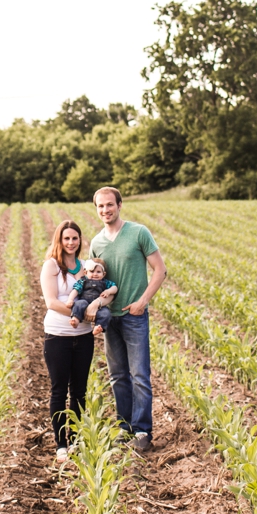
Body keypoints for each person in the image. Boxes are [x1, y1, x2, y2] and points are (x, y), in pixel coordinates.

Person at [88, 186, 167, 452]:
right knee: (118, 375)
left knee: (140, 375)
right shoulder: (96, 243)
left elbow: (160, 270)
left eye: (110, 205)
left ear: (120, 205)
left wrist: (142, 301)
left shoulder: (138, 233)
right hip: (111, 319)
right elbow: (93, 282)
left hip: (134, 316)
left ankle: (143, 430)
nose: (105, 210)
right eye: (100, 206)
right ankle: (125, 427)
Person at [40, 218, 115, 462]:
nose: (71, 242)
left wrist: (97, 305)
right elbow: (51, 302)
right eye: (66, 238)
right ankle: (61, 443)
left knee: (80, 391)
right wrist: (80, 314)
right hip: (58, 336)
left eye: (75, 238)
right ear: (59, 241)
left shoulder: (86, 266)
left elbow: (101, 291)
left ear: (80, 240)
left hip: (82, 337)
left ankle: (78, 438)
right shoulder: (51, 266)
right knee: (59, 390)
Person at [68, 259, 118, 331]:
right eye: (92, 271)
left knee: (106, 313)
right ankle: (75, 319)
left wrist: (108, 291)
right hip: (84, 301)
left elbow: (115, 288)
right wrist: (70, 299)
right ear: (85, 273)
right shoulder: (83, 281)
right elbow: (76, 290)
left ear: (104, 274)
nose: (95, 274)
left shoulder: (105, 282)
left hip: (99, 307)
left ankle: (98, 326)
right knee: (79, 304)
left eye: (98, 272)